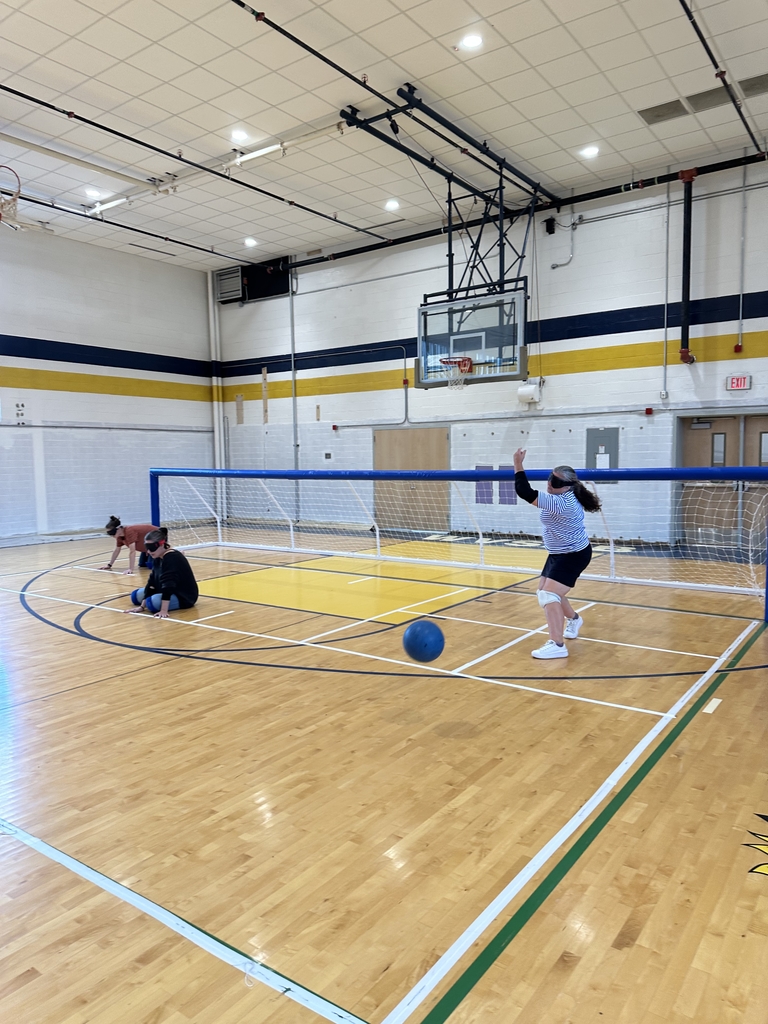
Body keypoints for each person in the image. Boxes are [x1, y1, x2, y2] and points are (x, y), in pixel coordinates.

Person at [513, 449, 601, 660]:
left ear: (568, 487)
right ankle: (574, 619)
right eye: (551, 478)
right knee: (548, 592)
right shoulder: (558, 495)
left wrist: (517, 464)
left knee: (548, 595)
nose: (551, 484)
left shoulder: (563, 502)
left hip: (573, 554)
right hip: (558, 552)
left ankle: (557, 644)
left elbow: (524, 491)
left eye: (557, 483)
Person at [126, 528, 199, 619]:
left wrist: (164, 610)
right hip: (163, 588)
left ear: (161, 544)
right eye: (147, 548)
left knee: (151, 604)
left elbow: (169, 585)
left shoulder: (172, 558)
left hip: (183, 595)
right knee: (135, 596)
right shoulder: (158, 557)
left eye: (151, 548)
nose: (148, 552)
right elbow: (152, 581)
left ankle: (162, 602)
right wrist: (141, 606)